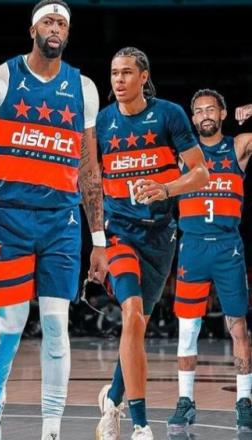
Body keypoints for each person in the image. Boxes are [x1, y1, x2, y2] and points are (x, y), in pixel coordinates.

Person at [0, 1, 107, 439]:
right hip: (10, 220)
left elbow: (89, 169)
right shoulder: (0, 80)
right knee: (11, 325)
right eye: (48, 22)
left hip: (62, 222)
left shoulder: (84, 88)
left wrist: (99, 238)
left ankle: (51, 428)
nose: (55, 28)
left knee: (57, 324)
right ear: (33, 30)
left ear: (67, 33)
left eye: (61, 23)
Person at [94, 47, 209, 440]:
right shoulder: (102, 122)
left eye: (127, 72)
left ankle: (111, 399)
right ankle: (139, 424)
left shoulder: (169, 115)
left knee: (138, 324)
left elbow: (201, 173)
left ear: (144, 76)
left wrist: (166, 188)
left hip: (159, 236)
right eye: (114, 73)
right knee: (131, 313)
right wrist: (96, 241)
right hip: (119, 233)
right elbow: (90, 183)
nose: (119, 80)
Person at [167, 92, 252, 434]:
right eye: (199, 110)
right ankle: (185, 401)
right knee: (187, 330)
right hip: (193, 247)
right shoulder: (183, 154)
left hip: (228, 248)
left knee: (239, 328)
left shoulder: (238, 147)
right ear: (192, 118)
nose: (205, 114)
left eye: (210, 109)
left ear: (223, 113)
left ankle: (244, 401)